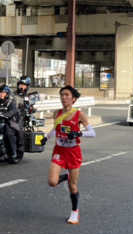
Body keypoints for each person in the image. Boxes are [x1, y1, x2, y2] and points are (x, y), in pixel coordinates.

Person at [41, 85, 96, 225]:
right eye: (61, 95)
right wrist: (46, 138)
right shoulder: (57, 113)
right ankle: (65, 176)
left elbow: (92, 133)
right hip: (59, 150)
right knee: (52, 182)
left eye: (66, 95)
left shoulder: (79, 115)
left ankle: (74, 212)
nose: (63, 98)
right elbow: (55, 129)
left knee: (73, 185)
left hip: (73, 152)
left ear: (73, 99)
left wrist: (79, 133)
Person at [0, 84, 21, 161]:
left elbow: (13, 111)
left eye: (3, 93)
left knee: (9, 132)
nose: (1, 94)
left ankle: (13, 153)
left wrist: (5, 115)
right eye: (0, 92)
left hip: (11, 122)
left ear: (7, 94)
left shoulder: (11, 102)